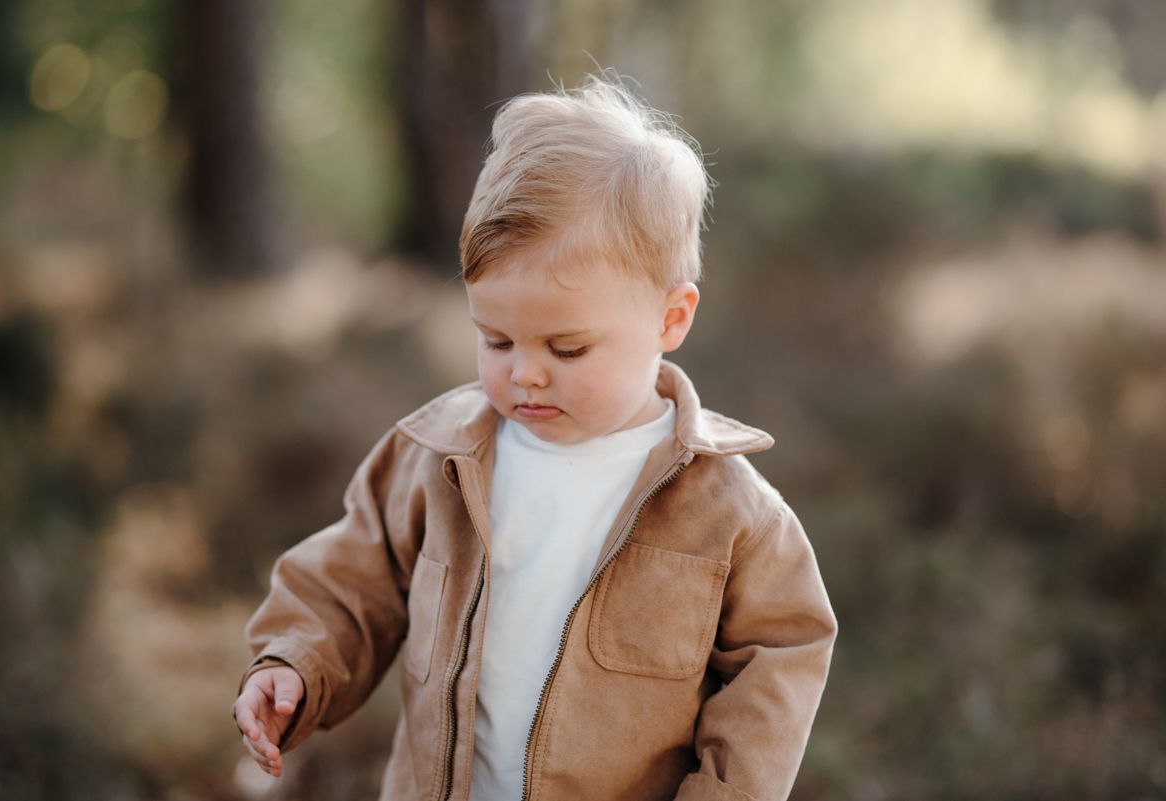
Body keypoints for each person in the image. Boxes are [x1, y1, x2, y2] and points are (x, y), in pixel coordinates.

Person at [233, 72, 836, 801]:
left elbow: (776, 667)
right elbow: (352, 578)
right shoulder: (439, 457)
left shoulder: (732, 515)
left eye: (567, 348)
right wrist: (294, 661)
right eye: (495, 340)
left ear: (671, 320)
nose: (525, 375)